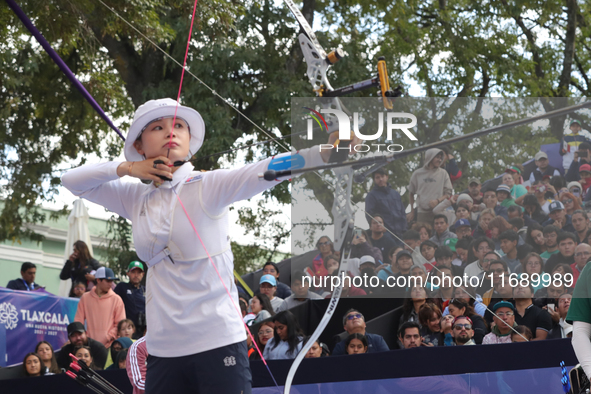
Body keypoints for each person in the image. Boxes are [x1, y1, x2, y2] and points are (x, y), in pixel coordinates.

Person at [61, 97, 350, 392]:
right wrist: (128, 169)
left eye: (179, 126)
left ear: (189, 140)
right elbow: (71, 180)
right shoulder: (134, 198)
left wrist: (323, 153)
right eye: (158, 127)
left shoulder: (208, 185)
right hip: (164, 350)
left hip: (217, 341)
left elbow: (265, 170)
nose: (170, 132)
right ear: (139, 145)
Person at [75, 266, 126, 348]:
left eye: (111, 281)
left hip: (109, 346)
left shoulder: (117, 299)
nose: (110, 284)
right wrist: (84, 338)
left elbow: (120, 324)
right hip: (89, 346)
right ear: (98, 280)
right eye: (108, 281)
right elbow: (78, 321)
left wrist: (107, 337)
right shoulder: (85, 297)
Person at [406, 148, 453, 224]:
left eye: (441, 158)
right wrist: (412, 211)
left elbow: (448, 193)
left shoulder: (443, 173)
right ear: (430, 157)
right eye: (437, 157)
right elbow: (411, 192)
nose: (440, 160)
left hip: (439, 211)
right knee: (423, 234)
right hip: (422, 212)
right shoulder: (417, 173)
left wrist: (437, 201)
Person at [364, 168, 407, 238]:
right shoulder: (371, 196)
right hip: (384, 234)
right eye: (377, 177)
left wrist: (405, 229)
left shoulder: (395, 194)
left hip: (401, 233)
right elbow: (369, 215)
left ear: (387, 177)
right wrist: (379, 228)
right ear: (374, 180)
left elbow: (402, 213)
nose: (380, 179)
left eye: (382, 176)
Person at [114, 261, 146, 338]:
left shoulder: (146, 290)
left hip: (144, 330)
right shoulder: (122, 287)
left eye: (139, 272)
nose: (136, 275)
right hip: (127, 331)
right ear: (127, 273)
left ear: (143, 274)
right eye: (133, 272)